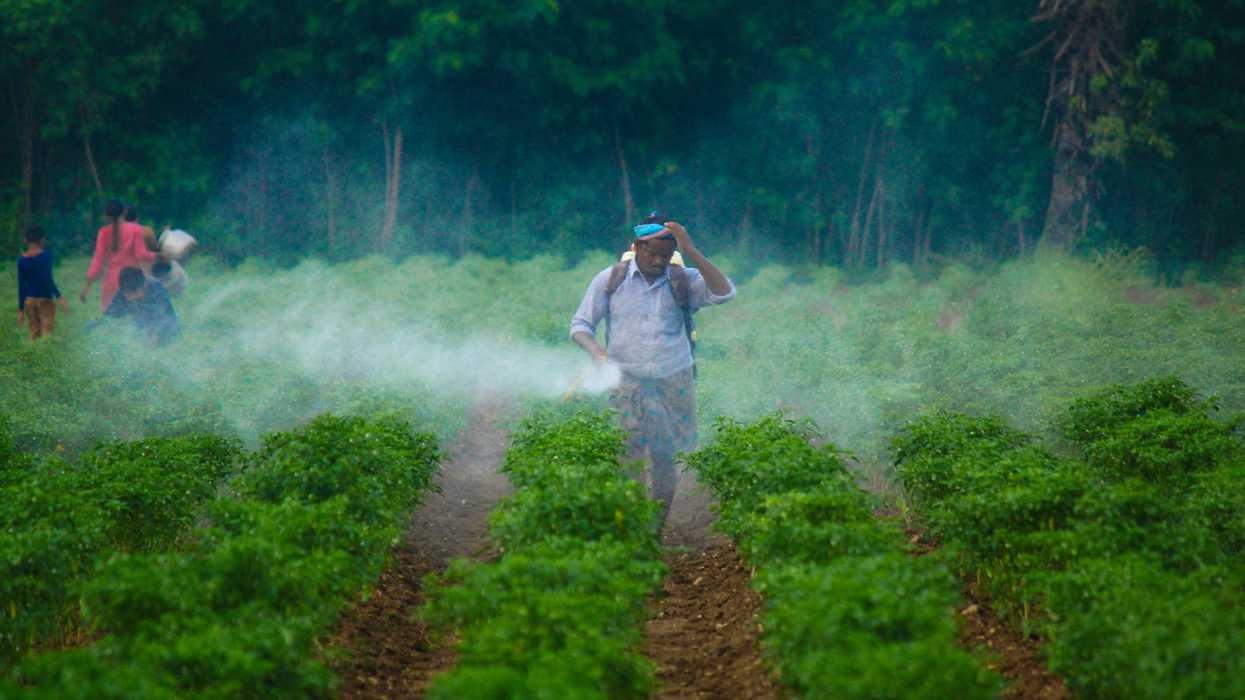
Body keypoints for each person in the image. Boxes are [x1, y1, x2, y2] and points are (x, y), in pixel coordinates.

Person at [570, 211, 736, 527]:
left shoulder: (683, 279)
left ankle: (654, 528)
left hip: (673, 378)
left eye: (666, 256)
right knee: (627, 455)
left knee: (664, 457)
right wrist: (595, 349)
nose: (659, 262)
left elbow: (724, 292)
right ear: (636, 247)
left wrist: (691, 250)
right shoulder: (611, 279)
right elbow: (580, 324)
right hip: (625, 379)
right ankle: (631, 523)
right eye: (653, 254)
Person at [81, 199, 158, 312]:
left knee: (112, 321)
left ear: (106, 216)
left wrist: (86, 288)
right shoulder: (135, 229)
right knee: (135, 319)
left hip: (111, 282)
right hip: (132, 279)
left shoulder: (103, 232)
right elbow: (141, 255)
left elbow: (97, 261)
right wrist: (158, 256)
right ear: (124, 213)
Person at [16, 225, 68, 340]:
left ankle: (32, 354)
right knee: (47, 333)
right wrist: (59, 297)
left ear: (26, 240)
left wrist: (20, 310)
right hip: (45, 300)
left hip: (29, 300)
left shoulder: (21, 260)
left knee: (33, 332)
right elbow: (47, 278)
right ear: (42, 239)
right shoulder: (46, 256)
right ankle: (45, 354)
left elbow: (21, 286)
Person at [104, 267, 180, 345]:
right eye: (128, 294)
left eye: (135, 292)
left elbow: (164, 319)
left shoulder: (157, 290)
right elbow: (110, 316)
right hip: (140, 326)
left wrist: (154, 334)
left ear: (145, 285)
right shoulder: (123, 291)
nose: (132, 297)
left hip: (167, 327)